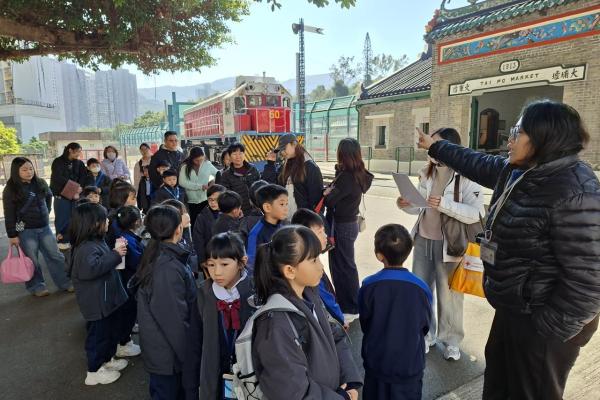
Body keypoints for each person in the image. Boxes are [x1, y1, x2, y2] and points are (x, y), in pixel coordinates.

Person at [416, 100, 600, 399]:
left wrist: (544, 331)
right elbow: (476, 162)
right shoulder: (522, 170)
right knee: (499, 386)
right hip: (515, 309)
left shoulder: (575, 190)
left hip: (542, 325)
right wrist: (436, 146)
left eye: (517, 132)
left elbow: (588, 281)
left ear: (543, 137)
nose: (509, 140)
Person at [397, 127, 484, 361]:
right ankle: (426, 335)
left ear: (450, 148)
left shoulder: (467, 175)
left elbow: (476, 213)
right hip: (423, 239)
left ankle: (452, 341)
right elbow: (420, 207)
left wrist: (445, 204)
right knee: (422, 291)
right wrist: (405, 204)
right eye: (430, 144)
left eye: (435, 144)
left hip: (451, 245)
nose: (430, 149)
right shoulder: (427, 172)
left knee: (450, 296)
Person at [252, 226, 363, 399]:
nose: (321, 266)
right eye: (313, 260)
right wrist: (342, 397)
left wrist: (349, 381)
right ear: (290, 271)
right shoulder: (275, 325)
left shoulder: (309, 295)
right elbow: (293, 392)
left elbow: (335, 336)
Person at [133, 205, 200, 399]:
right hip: (168, 356)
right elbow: (174, 322)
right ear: (178, 229)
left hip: (164, 351)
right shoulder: (167, 269)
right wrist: (190, 357)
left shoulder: (158, 253)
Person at [359, 224, 432, 400]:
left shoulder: (369, 286)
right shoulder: (421, 288)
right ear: (409, 250)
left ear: (379, 255)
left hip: (377, 364)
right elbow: (425, 326)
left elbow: (365, 323)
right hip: (409, 367)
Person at [68, 202, 129, 385]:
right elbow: (91, 269)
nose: (108, 222)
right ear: (94, 223)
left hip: (105, 301)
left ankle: (107, 360)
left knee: (108, 334)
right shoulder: (85, 248)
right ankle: (94, 371)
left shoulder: (95, 241)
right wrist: (115, 254)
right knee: (98, 338)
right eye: (105, 219)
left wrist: (114, 253)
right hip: (97, 304)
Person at [2, 157, 73, 297]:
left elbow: (49, 197)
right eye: (24, 169)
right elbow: (9, 213)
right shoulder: (11, 189)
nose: (29, 172)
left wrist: (46, 212)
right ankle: (37, 286)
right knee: (31, 259)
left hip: (44, 228)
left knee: (55, 256)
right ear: (16, 171)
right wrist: (12, 235)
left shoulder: (40, 183)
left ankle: (65, 282)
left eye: (31, 168)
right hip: (25, 230)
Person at [197, 232, 255, 399]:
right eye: (211, 264)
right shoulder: (205, 293)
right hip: (216, 370)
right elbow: (196, 338)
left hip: (249, 373)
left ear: (242, 262)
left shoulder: (254, 292)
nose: (217, 272)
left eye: (224, 264)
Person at [323, 138, 374, 322]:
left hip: (341, 225)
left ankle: (350, 308)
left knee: (342, 267)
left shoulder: (346, 177)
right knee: (345, 265)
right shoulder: (358, 173)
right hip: (349, 223)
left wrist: (326, 193)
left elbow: (330, 201)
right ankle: (348, 305)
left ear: (342, 154)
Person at [291, 208, 345, 326]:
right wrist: (340, 318)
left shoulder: (310, 259)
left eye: (324, 231)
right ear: (305, 236)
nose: (325, 236)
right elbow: (325, 298)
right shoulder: (310, 269)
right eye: (320, 232)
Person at [264, 133, 324, 217]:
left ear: (294, 144)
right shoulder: (284, 167)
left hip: (302, 220)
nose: (282, 152)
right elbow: (271, 187)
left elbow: (316, 200)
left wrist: (309, 220)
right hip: (285, 219)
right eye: (281, 150)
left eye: (284, 148)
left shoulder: (310, 167)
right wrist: (270, 164)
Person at [114, 206, 145, 358]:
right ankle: (124, 343)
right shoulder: (127, 241)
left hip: (125, 282)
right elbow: (138, 262)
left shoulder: (122, 237)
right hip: (129, 284)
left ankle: (126, 335)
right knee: (128, 313)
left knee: (128, 314)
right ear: (137, 222)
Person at [50, 142, 92, 247]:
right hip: (61, 196)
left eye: (80, 152)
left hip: (76, 196)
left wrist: (79, 189)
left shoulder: (79, 163)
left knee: (76, 218)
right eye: (77, 151)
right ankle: (62, 241)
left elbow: (83, 177)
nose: (79, 154)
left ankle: (75, 240)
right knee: (62, 219)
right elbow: (58, 178)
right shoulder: (58, 162)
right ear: (70, 150)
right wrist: (74, 188)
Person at [245, 184, 288, 274]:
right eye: (282, 204)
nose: (286, 208)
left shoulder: (283, 227)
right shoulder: (256, 233)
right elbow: (251, 264)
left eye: (287, 204)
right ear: (267, 207)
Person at [178, 146, 218, 228]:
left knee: (206, 222)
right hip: (191, 201)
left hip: (205, 199)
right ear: (191, 158)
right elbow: (182, 182)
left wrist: (212, 181)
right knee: (194, 222)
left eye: (201, 159)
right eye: (196, 160)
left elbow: (217, 174)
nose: (199, 162)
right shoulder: (185, 167)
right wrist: (200, 187)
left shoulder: (207, 164)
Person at [218, 143, 261, 215]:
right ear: (230, 156)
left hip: (257, 211)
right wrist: (235, 209)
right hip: (239, 212)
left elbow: (260, 187)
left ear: (244, 154)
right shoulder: (226, 174)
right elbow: (226, 195)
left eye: (240, 153)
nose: (238, 156)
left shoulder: (253, 169)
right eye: (234, 154)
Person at [193, 184, 226, 269]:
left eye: (216, 200)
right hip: (210, 258)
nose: (213, 202)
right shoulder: (202, 217)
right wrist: (202, 260)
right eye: (210, 199)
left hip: (228, 256)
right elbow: (198, 240)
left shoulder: (229, 213)